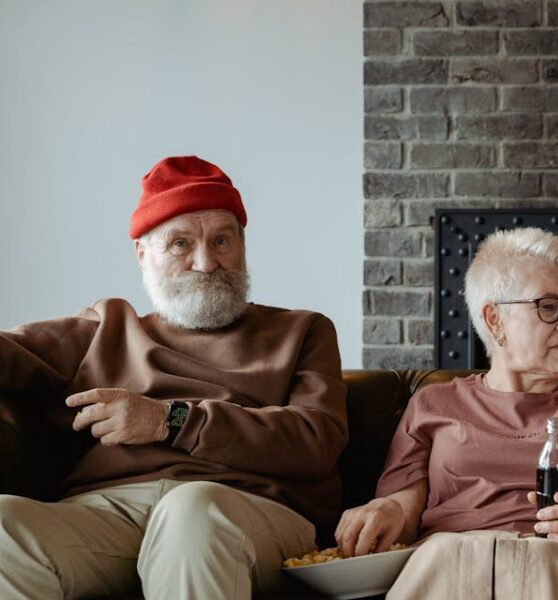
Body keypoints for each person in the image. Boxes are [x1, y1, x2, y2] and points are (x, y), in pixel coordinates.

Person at [0, 155, 348, 599]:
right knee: (4, 527)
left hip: (246, 509)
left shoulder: (302, 331)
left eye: (222, 240)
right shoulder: (104, 326)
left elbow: (314, 442)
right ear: (142, 253)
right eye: (181, 244)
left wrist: (171, 419)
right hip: (110, 512)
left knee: (192, 511)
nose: (206, 263)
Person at [334, 227, 558, 600]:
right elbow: (402, 510)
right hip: (451, 560)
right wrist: (382, 512)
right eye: (548, 307)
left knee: (539, 560)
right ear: (494, 320)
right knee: (444, 553)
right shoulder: (432, 404)